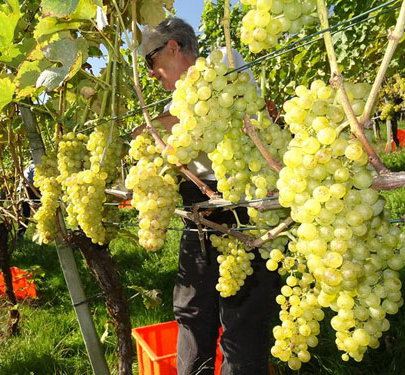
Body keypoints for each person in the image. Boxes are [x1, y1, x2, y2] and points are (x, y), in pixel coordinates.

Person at [138, 18, 280, 375]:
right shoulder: (183, 97)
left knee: (242, 322)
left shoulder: (222, 64)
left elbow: (190, 124)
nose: (151, 74)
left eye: (150, 62)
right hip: (198, 208)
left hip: (241, 207)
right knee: (190, 311)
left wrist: (152, 128)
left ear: (172, 47)